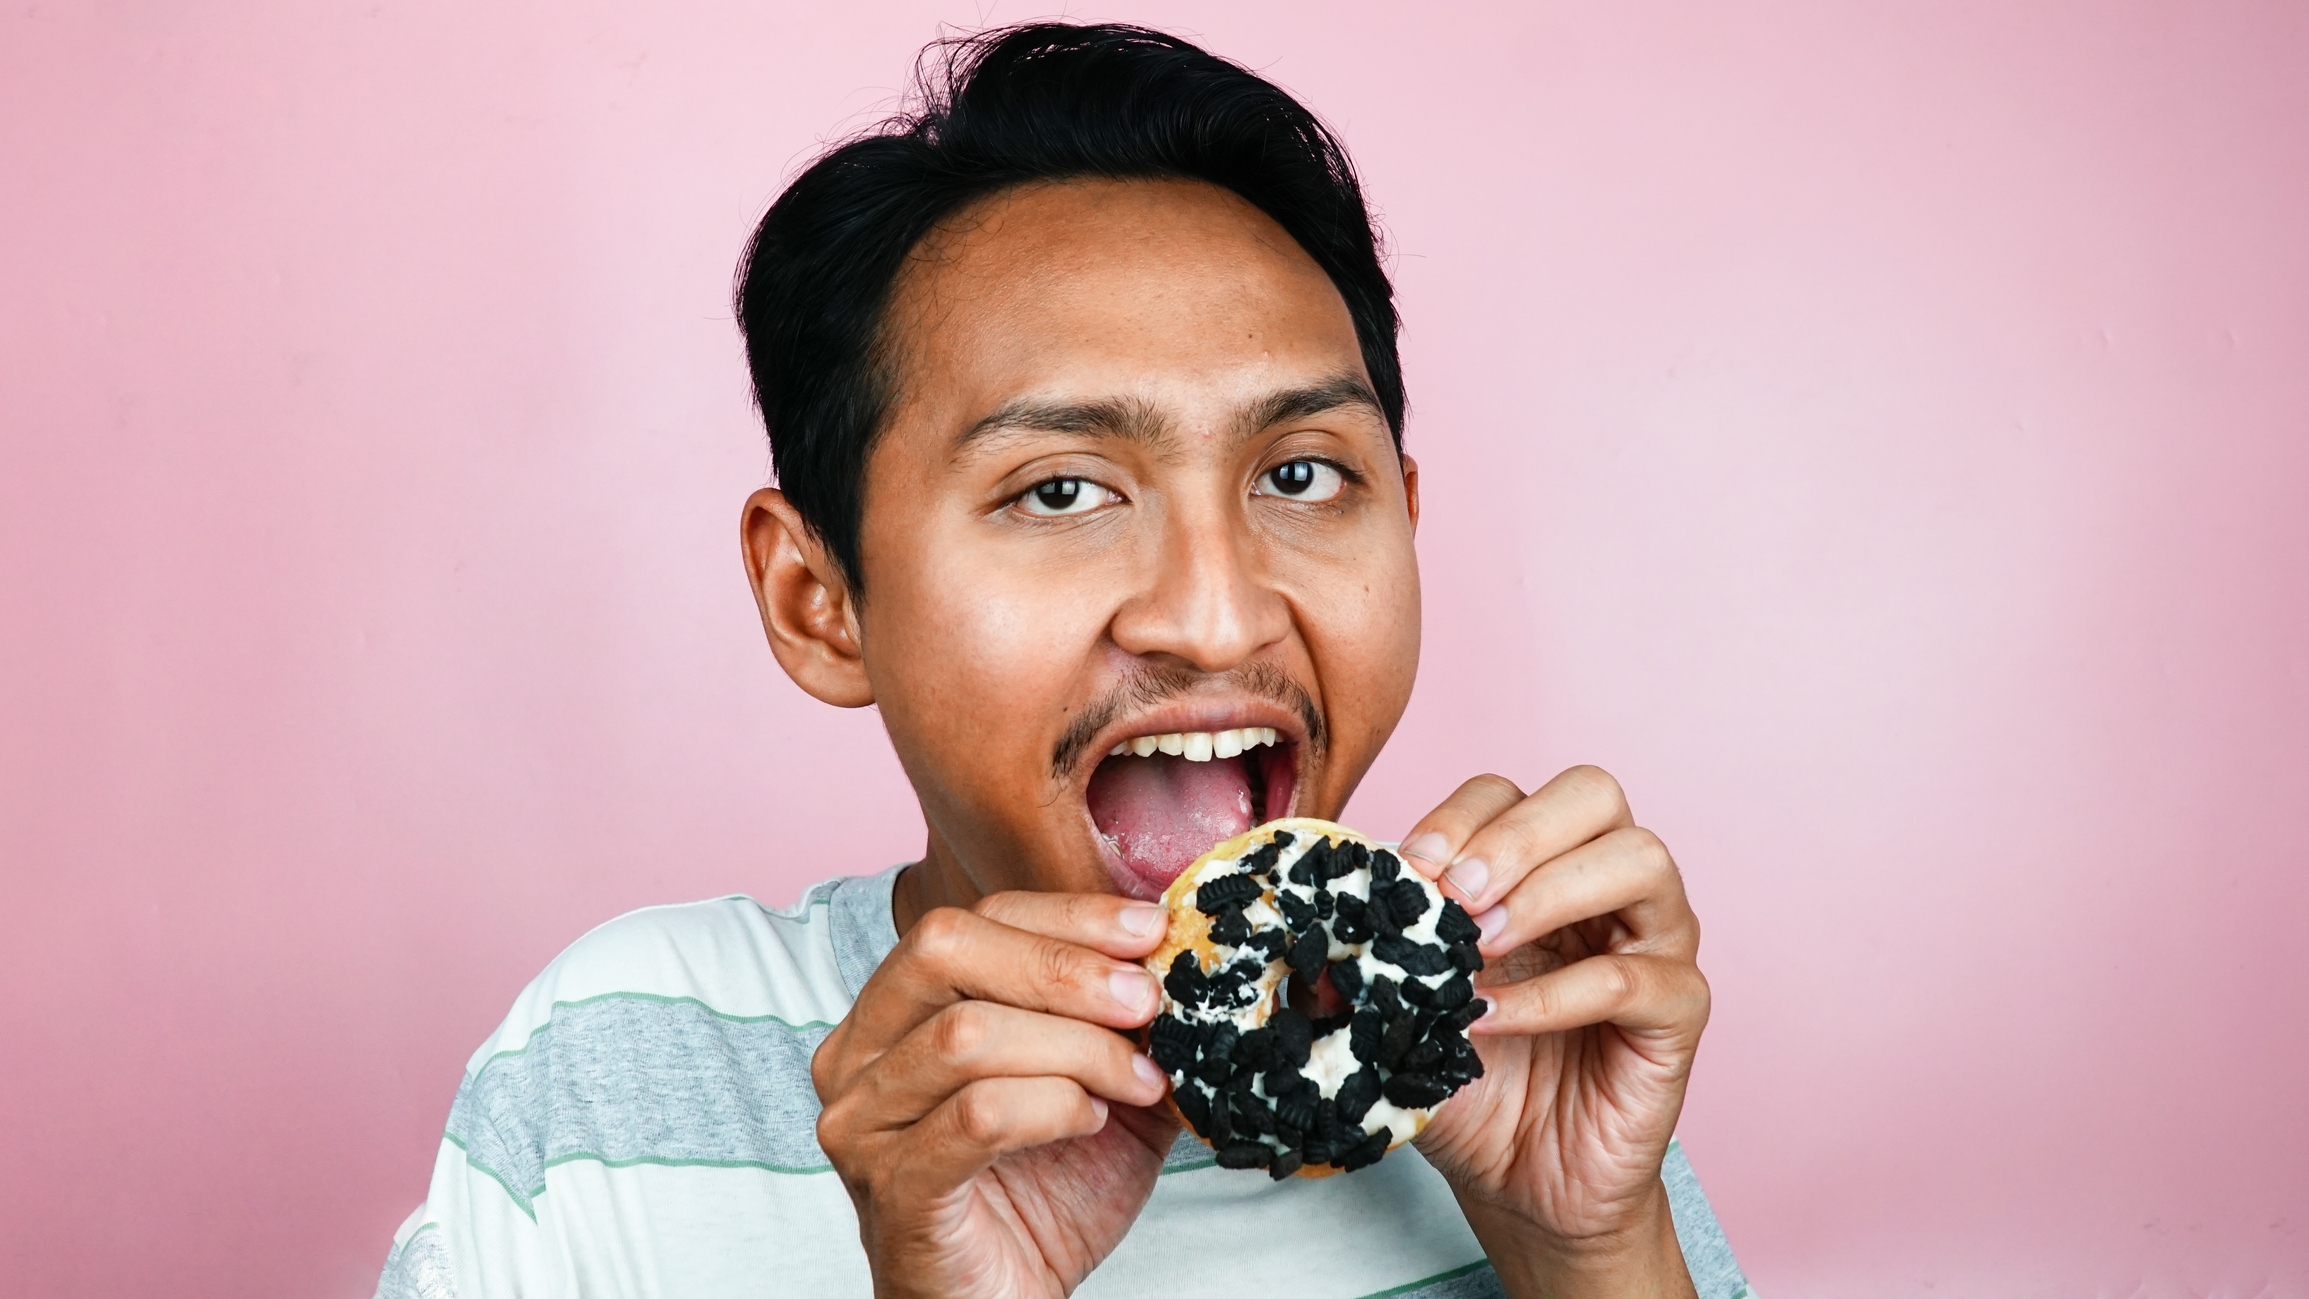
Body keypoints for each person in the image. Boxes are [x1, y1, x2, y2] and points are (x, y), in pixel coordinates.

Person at [374, 23, 1748, 1299]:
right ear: (818, 600)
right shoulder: (613, 1079)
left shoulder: (1508, 1054)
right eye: (1059, 492)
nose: (1214, 619)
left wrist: (1587, 1246)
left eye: (1301, 473)